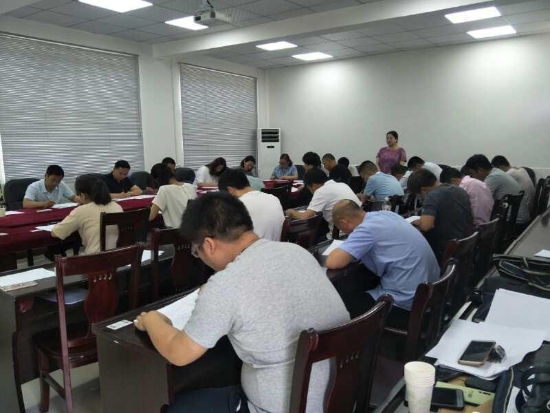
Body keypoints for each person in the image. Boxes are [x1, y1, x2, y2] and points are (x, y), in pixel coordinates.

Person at [134, 192, 349, 412]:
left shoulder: (225, 286)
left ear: (209, 244)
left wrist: (152, 320)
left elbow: (179, 353)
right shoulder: (296, 252)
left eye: (196, 251)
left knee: (174, 407)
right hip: (339, 393)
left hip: (283, 407)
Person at [326, 200, 439, 326]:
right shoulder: (387, 215)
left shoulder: (367, 229)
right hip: (429, 295)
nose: (348, 235)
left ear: (344, 222)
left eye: (343, 230)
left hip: (406, 305)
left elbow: (333, 262)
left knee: (343, 304)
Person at [407, 169, 473, 264]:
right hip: (466, 244)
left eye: (419, 195)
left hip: (447, 250)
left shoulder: (432, 196)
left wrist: (419, 221)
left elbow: (426, 226)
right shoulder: (459, 189)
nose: (421, 198)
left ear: (424, 190)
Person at [51, 175, 122, 254]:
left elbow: (56, 233)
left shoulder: (81, 210)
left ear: (82, 196)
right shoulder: (116, 206)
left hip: (94, 258)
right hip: (120, 255)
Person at [285, 168, 361, 238]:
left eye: (309, 189)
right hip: (360, 230)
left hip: (342, 235)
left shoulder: (321, 191)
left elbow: (304, 217)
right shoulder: (342, 184)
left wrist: (291, 211)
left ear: (313, 186)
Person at [218, 169, 284, 241]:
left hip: (252, 247)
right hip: (275, 246)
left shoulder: (238, 206)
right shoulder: (273, 198)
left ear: (230, 191)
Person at [464, 154, 529, 226]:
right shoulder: (497, 172)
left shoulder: (493, 177)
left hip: (514, 223)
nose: (472, 177)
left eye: (472, 174)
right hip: (518, 220)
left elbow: (481, 202)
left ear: (480, 170)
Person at [149, 164, 196, 229]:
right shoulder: (190, 186)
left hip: (176, 232)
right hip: (195, 229)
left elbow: (150, 216)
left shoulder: (164, 189)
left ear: (157, 179)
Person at [491, 155, 535, 225]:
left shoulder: (507, 174)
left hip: (523, 210)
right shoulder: (521, 170)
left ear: (501, 167)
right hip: (530, 208)